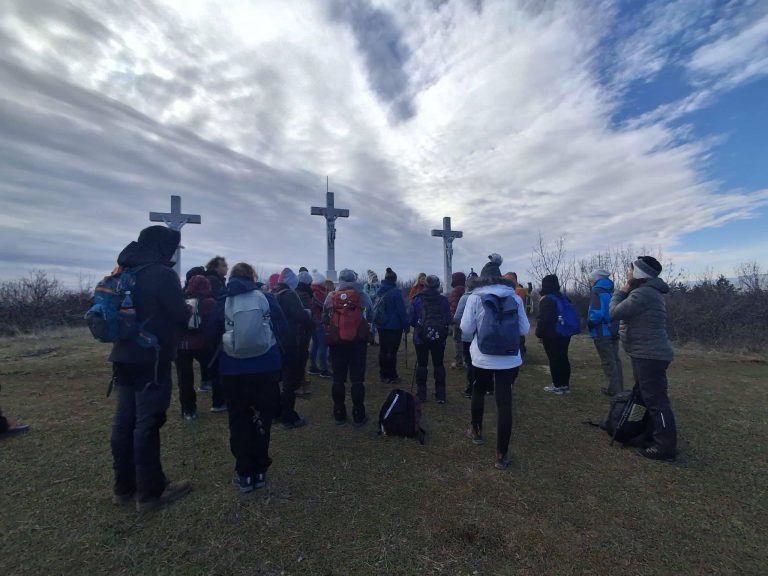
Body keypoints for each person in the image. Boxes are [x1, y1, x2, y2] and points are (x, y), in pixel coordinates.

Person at [108, 225, 192, 512]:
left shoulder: (123, 270)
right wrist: (188, 310)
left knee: (124, 422)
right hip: (151, 359)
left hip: (122, 355)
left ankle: (124, 487)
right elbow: (179, 314)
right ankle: (150, 491)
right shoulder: (161, 274)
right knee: (147, 423)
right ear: (162, 247)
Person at [211, 262, 293, 491]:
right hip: (266, 366)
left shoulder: (224, 301)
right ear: (252, 277)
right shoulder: (266, 298)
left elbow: (211, 333)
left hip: (233, 369)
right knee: (262, 417)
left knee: (238, 418)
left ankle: (244, 472)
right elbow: (283, 329)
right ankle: (260, 470)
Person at [460, 258, 529, 469]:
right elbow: (524, 329)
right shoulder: (514, 297)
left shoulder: (475, 297)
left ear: (482, 278)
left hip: (482, 356)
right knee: (504, 403)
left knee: (479, 391)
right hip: (509, 357)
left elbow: (466, 329)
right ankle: (501, 454)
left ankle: (476, 431)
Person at [609, 256, 677, 462]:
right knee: (642, 397)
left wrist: (621, 291)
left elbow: (614, 312)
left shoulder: (643, 293)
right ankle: (645, 434)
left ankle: (664, 447)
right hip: (645, 353)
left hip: (650, 355)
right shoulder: (648, 292)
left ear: (639, 273)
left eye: (631, 270)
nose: (628, 273)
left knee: (656, 401)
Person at [323, 269, 373, 425]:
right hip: (358, 342)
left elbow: (325, 317)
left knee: (338, 378)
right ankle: (359, 415)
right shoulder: (362, 295)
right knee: (357, 379)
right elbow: (371, 313)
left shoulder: (331, 296)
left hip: (337, 342)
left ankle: (339, 413)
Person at [274, 268, 314, 428]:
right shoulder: (289, 295)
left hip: (275, 342)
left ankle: (276, 412)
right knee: (289, 380)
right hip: (289, 341)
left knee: (277, 379)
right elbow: (300, 316)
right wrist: (308, 313)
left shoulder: (273, 293)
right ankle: (288, 417)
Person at [175, 272, 216, 419]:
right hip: (201, 343)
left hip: (180, 345)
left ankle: (188, 410)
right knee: (215, 369)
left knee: (184, 379)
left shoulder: (180, 301)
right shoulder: (209, 303)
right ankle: (219, 401)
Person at [409, 275, 451, 403]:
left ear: (425, 285)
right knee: (439, 365)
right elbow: (448, 319)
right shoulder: (443, 300)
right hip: (439, 338)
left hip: (420, 338)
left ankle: (421, 394)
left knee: (422, 365)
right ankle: (440, 395)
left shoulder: (417, 299)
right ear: (438, 286)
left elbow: (411, 320)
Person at [588, 268, 624, 396]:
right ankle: (618, 387)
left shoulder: (596, 291)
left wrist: (590, 323)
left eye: (591, 279)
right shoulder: (612, 290)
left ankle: (616, 391)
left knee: (608, 362)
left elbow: (596, 313)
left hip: (601, 331)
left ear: (596, 279)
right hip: (613, 329)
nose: (591, 281)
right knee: (615, 359)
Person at [536, 274, 572, 395]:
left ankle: (557, 385)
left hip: (552, 334)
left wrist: (539, 334)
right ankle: (565, 385)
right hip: (565, 332)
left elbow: (543, 320)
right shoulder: (564, 297)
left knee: (554, 359)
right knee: (563, 357)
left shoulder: (546, 299)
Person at [375, 267, 409, 383]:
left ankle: (383, 374)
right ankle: (392, 375)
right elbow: (402, 311)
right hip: (394, 327)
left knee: (383, 350)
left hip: (381, 325)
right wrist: (406, 325)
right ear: (394, 279)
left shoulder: (379, 290)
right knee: (392, 351)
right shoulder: (396, 292)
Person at [454, 271, 480, 397]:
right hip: (483, 336)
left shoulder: (465, 298)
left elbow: (457, 316)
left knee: (470, 362)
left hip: (468, 336)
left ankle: (471, 389)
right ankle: (489, 387)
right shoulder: (486, 296)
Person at [295, 269, 315, 392]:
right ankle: (300, 381)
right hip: (303, 330)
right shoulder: (305, 294)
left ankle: (300, 379)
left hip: (296, 330)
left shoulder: (294, 291)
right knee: (302, 356)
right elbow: (309, 313)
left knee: (299, 356)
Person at [308, 270, 331, 378]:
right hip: (319, 322)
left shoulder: (311, 291)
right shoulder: (318, 292)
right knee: (323, 345)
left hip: (313, 322)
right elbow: (324, 306)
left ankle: (313, 367)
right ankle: (323, 369)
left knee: (315, 344)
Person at [448, 271, 466, 370]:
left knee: (457, 341)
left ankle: (459, 362)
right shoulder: (466, 290)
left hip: (458, 321)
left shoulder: (455, 291)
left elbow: (454, 306)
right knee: (466, 341)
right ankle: (466, 360)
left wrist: (452, 319)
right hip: (467, 320)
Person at [364, 270, 381, 345]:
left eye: (376, 277)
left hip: (377, 307)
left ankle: (376, 340)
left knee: (376, 325)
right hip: (369, 309)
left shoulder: (378, 286)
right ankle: (370, 340)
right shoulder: (366, 286)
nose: (375, 279)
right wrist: (376, 294)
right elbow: (367, 297)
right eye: (374, 278)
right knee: (369, 324)